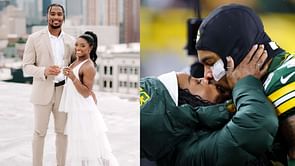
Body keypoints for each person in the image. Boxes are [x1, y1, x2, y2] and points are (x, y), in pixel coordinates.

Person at [141, 44, 279, 165]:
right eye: (197, 81)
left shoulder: (182, 144)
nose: (206, 78)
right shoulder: (189, 155)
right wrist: (245, 82)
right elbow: (258, 123)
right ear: (185, 106)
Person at [195, 4, 294, 165]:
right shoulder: (259, 84)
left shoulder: (283, 84)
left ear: (236, 52)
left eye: (211, 63)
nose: (206, 75)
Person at [22, 3, 75, 166]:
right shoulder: (34, 38)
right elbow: (26, 67)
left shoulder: (71, 41)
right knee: (39, 133)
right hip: (42, 91)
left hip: (63, 92)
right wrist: (44, 71)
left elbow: (75, 65)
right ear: (47, 16)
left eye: (59, 14)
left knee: (62, 133)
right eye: (53, 14)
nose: (56, 17)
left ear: (63, 18)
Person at [59, 31, 119, 166]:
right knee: (79, 143)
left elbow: (86, 92)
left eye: (82, 46)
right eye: (76, 45)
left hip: (83, 109)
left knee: (88, 143)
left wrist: (73, 77)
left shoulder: (88, 66)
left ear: (90, 47)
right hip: (76, 107)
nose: (78, 48)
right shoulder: (77, 61)